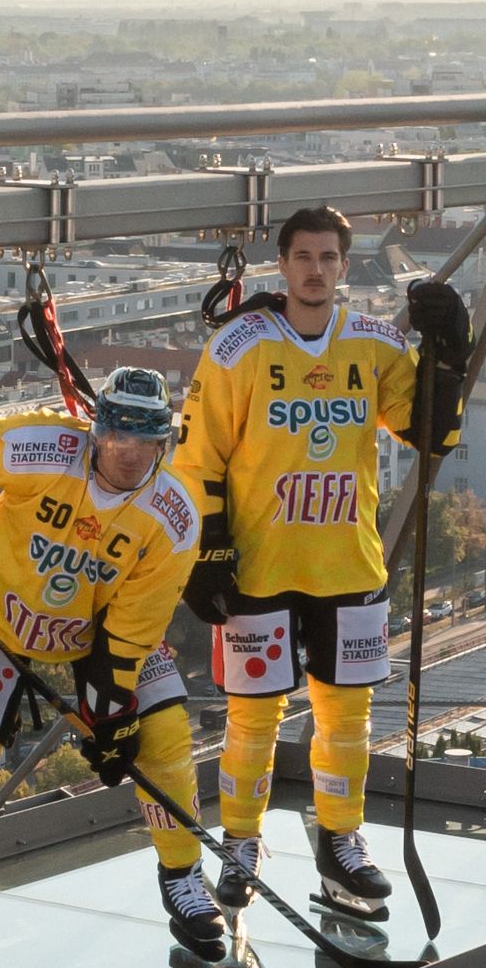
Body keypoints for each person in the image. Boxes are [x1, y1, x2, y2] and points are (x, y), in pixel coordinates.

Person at [177, 205, 470, 917]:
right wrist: (207, 552)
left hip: (347, 565)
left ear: (344, 265)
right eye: (303, 257)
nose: (316, 270)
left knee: (347, 719)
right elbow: (196, 458)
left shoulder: (370, 342)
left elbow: (430, 433)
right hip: (260, 568)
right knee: (253, 718)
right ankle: (241, 845)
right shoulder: (237, 345)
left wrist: (449, 354)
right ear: (282, 264)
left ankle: (343, 841)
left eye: (329, 258)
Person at [0, 366, 221, 961]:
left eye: (146, 442)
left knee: (163, 737)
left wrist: (111, 717)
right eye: (116, 439)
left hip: (96, 632)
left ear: (165, 444)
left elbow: (131, 634)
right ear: (94, 430)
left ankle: (182, 877)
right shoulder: (44, 444)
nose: (128, 455)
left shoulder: (176, 518)